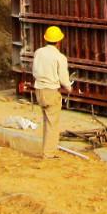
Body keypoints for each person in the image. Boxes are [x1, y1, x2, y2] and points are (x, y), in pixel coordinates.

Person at [32, 26, 72, 159]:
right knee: (52, 123)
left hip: (39, 90)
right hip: (51, 92)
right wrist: (69, 88)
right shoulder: (59, 57)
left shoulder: (38, 52)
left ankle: (47, 150)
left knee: (47, 121)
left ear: (46, 39)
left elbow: (34, 71)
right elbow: (63, 79)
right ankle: (48, 153)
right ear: (59, 41)